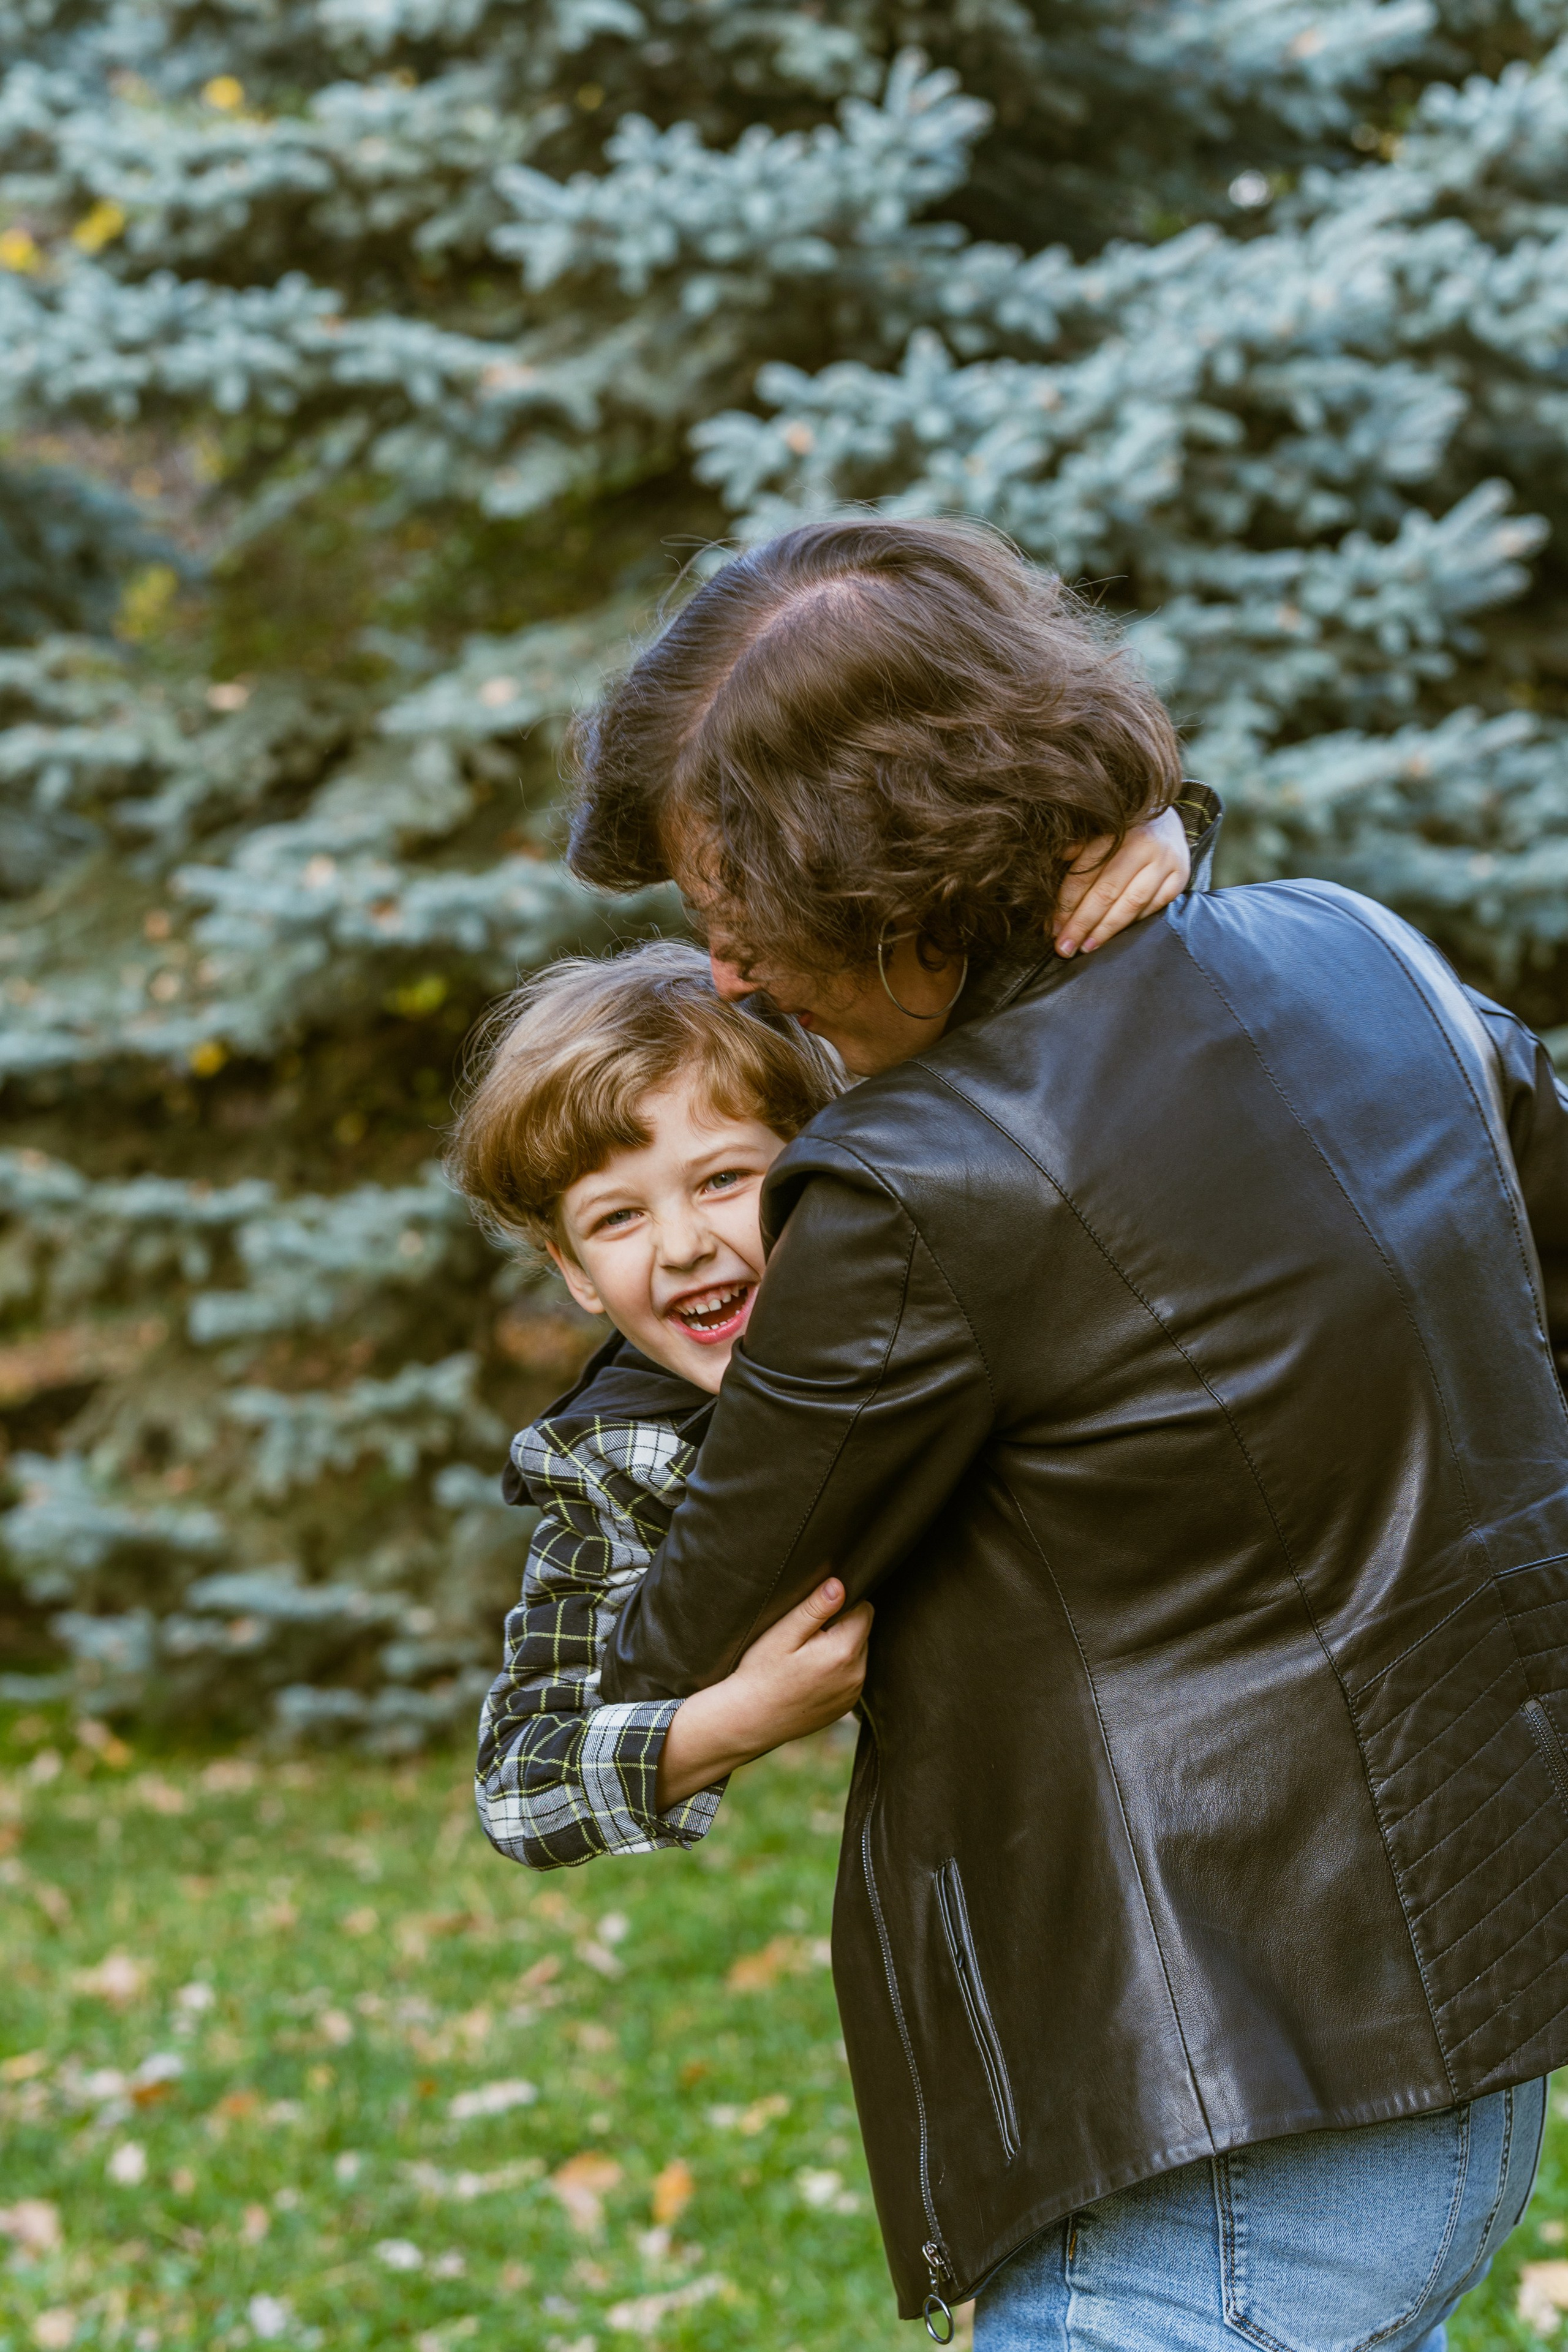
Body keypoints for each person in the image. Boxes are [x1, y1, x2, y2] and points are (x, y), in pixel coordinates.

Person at [562, 514, 1568, 2350]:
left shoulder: (918, 1190)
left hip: (1222, 2132)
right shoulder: (1365, 951)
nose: (730, 979)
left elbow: (689, 1634)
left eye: (739, 913)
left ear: (884, 873)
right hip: (1467, 2056)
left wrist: (654, 1300)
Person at [459, 809, 1191, 1870]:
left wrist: (1157, 836)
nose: (681, 1247)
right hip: (1005, 1820)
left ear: (822, 1159)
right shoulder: (624, 1456)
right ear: (571, 1270)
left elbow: (1040, 1003)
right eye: (617, 1218)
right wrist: (738, 1718)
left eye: (721, 1181)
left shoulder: (933, 1226)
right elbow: (520, 1780)